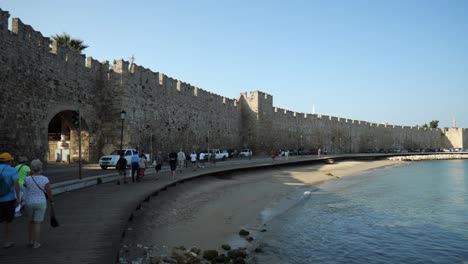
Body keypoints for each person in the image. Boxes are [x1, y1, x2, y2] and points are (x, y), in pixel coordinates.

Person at [23, 159, 53, 249]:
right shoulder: (45, 179)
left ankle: (30, 241)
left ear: (31, 168)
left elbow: (25, 188)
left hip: (29, 202)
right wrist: (52, 201)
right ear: (41, 167)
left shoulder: (27, 179)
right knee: (37, 223)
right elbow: (48, 191)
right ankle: (36, 243)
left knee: (31, 222)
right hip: (41, 203)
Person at [0, 152, 20, 249]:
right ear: (9, 161)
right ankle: (7, 241)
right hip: (9, 199)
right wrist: (18, 198)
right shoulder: (12, 170)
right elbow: (16, 184)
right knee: (8, 221)